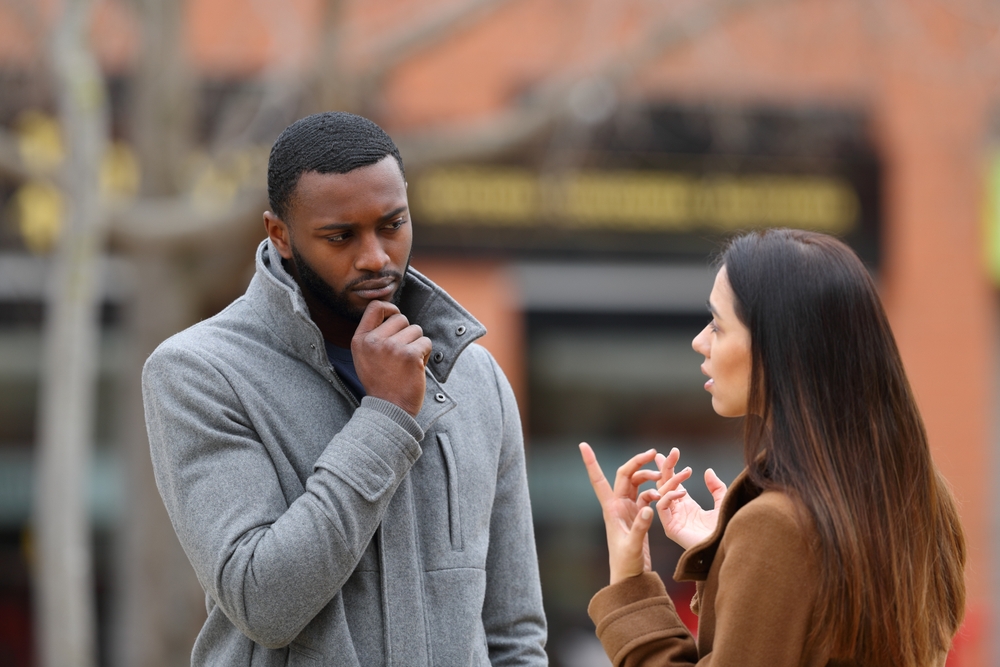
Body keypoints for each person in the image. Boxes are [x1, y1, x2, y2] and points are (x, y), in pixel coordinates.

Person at [143, 112, 547, 666]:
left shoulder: (474, 376)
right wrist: (385, 416)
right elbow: (263, 604)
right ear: (279, 235)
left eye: (392, 224)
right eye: (341, 236)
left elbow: (513, 632)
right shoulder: (200, 373)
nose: (376, 257)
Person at [579, 228, 966, 667]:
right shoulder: (920, 500)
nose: (700, 342)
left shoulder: (777, 526)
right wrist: (727, 553)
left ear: (776, 347)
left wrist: (631, 585)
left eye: (718, 325)